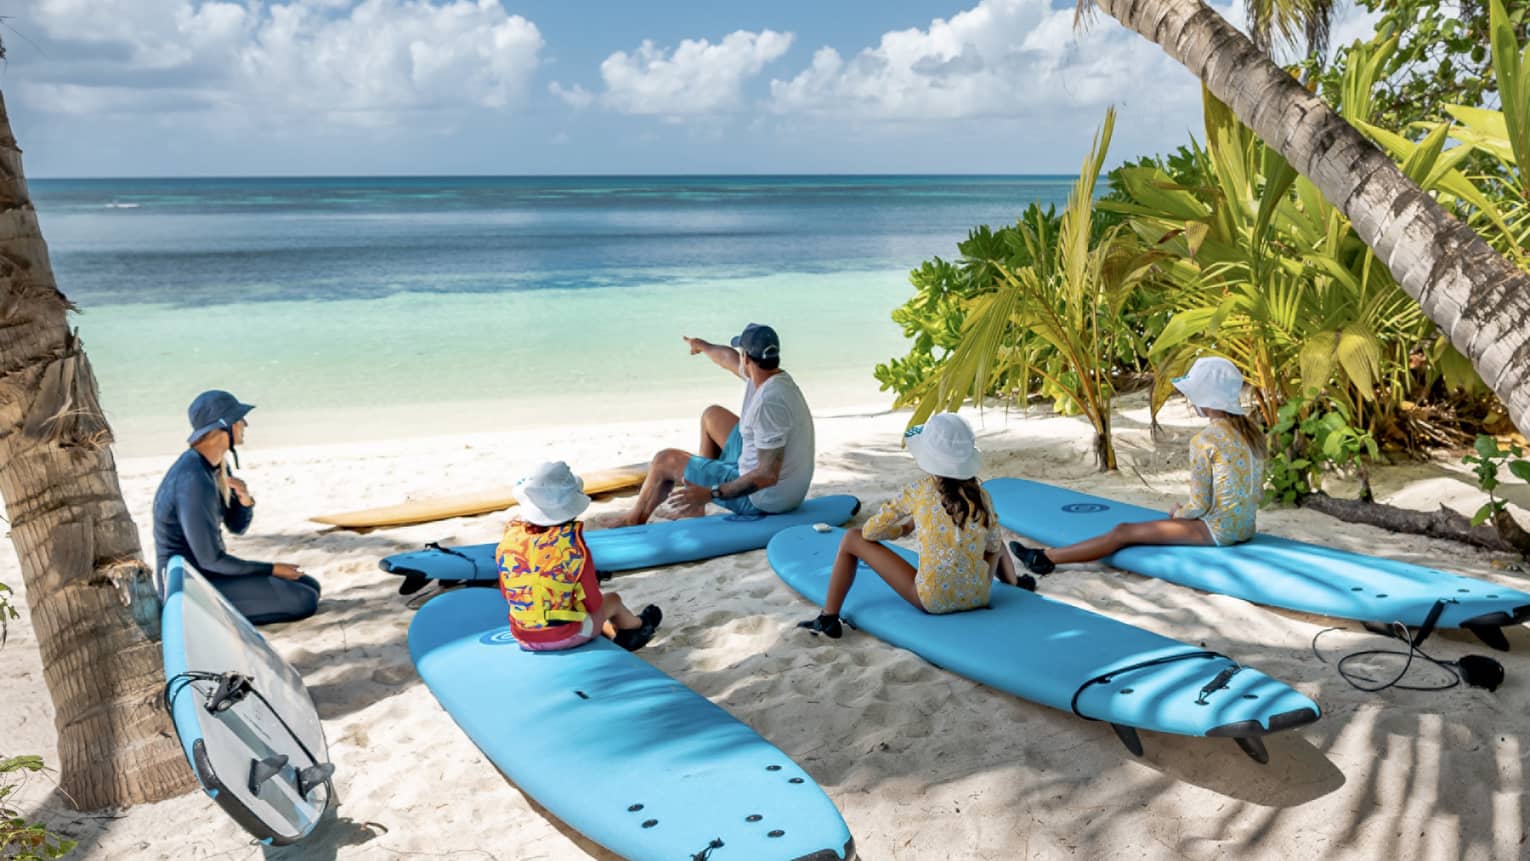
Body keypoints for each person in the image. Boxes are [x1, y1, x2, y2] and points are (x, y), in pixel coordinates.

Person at [1010, 356, 1267, 574]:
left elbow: (1199, 505)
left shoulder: (1205, 440)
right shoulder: (1252, 434)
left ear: (1205, 399)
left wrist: (1178, 512)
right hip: (1246, 527)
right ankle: (1047, 556)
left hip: (1219, 531)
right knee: (1132, 531)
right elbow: (1250, 492)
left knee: (1123, 532)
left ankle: (1045, 559)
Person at [797, 413, 1021, 639]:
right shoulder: (982, 496)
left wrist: (903, 529)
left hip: (932, 600)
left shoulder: (919, 491)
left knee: (851, 538)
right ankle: (1014, 583)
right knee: (995, 540)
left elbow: (871, 531)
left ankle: (828, 617)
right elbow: (993, 547)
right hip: (979, 595)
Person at [614, 323, 815, 526]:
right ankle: (695, 508)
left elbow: (767, 475)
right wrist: (701, 345)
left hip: (766, 498)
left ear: (747, 357)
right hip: (776, 479)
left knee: (664, 460)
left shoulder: (768, 403)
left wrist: (711, 493)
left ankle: (634, 519)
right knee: (712, 416)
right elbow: (727, 358)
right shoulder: (771, 377)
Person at [153, 390, 319, 625]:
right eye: (239, 418)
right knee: (303, 599)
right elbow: (212, 560)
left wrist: (244, 500)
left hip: (207, 573)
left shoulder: (216, 464)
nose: (245, 423)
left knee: (309, 585)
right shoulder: (193, 480)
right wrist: (271, 569)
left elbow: (237, 527)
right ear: (223, 427)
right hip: (188, 587)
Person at [497, 461, 662, 651]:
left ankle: (609, 631)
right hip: (563, 637)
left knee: (571, 612)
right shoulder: (572, 549)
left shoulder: (510, 541)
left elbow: (506, 592)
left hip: (523, 636)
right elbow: (593, 603)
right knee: (613, 600)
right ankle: (637, 628)